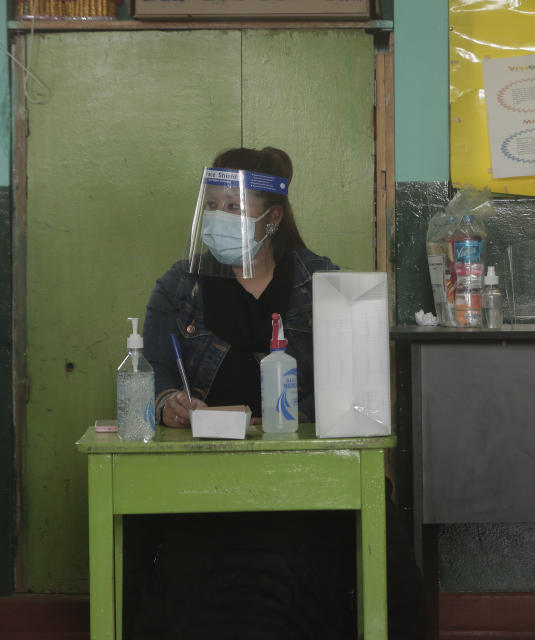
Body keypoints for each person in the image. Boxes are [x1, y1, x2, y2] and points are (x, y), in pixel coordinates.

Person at [131, 146, 424, 639]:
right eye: (214, 205)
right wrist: (169, 405)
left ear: (272, 218)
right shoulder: (180, 287)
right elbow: (157, 376)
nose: (219, 217)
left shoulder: (323, 282)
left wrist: (282, 423)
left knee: (321, 556)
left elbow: (352, 390)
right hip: (203, 477)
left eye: (234, 207)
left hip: (305, 472)